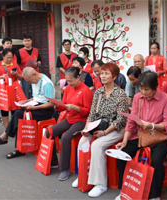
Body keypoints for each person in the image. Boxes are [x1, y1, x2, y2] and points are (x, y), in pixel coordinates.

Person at [71, 63, 128, 198]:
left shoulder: (121, 94)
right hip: (98, 125)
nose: (102, 76)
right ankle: (83, 176)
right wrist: (86, 128)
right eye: (102, 73)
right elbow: (91, 114)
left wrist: (105, 132)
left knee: (97, 145)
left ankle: (100, 184)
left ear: (114, 76)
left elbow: (120, 119)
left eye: (106, 73)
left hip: (115, 128)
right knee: (82, 142)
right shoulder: (98, 92)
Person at [115, 71, 167, 200]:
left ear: (155, 87)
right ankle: (126, 189)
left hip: (159, 137)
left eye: (146, 89)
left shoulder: (166, 99)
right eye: (141, 88)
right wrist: (125, 141)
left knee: (156, 160)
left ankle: (155, 195)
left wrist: (152, 126)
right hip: (140, 136)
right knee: (122, 154)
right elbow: (131, 121)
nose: (143, 92)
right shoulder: (137, 97)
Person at [0, 67, 55, 159]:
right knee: (19, 115)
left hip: (45, 110)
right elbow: (36, 98)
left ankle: (7, 137)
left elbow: (51, 103)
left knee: (19, 114)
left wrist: (34, 108)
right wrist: (26, 101)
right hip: (36, 105)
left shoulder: (46, 83)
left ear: (34, 74)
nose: (29, 83)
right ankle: (18, 147)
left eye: (29, 81)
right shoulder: (34, 80)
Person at [46, 67, 93, 180]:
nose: (69, 83)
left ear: (78, 77)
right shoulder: (68, 89)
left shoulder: (85, 90)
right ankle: (53, 162)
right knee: (50, 132)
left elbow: (88, 111)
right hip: (69, 118)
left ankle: (65, 169)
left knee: (66, 137)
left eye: (71, 80)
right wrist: (57, 105)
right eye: (67, 81)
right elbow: (65, 105)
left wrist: (76, 108)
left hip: (81, 121)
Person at [0, 48, 23, 145]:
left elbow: (21, 77)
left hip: (14, 91)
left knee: (14, 110)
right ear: (3, 57)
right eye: (7, 58)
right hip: (3, 91)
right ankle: (7, 129)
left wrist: (16, 74)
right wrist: (2, 77)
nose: (9, 59)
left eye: (11, 57)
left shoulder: (15, 64)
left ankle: (14, 129)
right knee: (4, 110)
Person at [16, 34, 42, 98]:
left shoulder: (36, 50)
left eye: (28, 40)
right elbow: (17, 64)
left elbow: (40, 60)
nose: (27, 42)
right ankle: (26, 106)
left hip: (35, 74)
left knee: (36, 91)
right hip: (25, 75)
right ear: (23, 42)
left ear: (31, 41)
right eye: (25, 41)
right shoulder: (19, 51)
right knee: (26, 91)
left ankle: (36, 105)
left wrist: (37, 63)